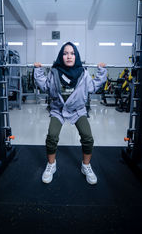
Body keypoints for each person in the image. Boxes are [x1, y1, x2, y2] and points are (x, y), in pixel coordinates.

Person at [34, 42, 107, 185]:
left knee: (87, 137)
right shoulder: (54, 72)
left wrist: (101, 71)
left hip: (77, 110)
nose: (69, 56)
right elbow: (45, 86)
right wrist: (38, 70)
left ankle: (85, 166)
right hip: (58, 110)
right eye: (65, 53)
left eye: (72, 53)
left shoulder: (83, 73)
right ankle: (51, 165)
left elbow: (92, 87)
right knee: (52, 136)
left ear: (76, 56)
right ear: (61, 56)